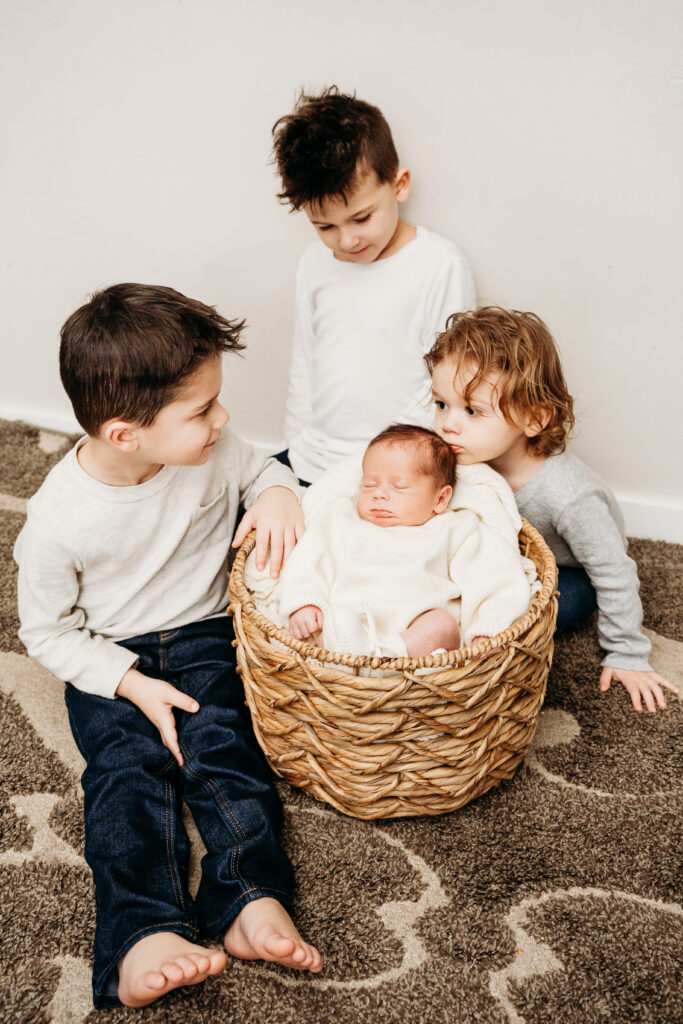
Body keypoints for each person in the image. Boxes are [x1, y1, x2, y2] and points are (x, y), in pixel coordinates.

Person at [14, 284, 322, 1010]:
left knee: (227, 754)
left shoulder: (212, 450)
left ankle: (249, 897)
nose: (222, 420)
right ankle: (142, 930)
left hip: (208, 633)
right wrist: (127, 682)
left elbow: (261, 468)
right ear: (126, 433)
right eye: (202, 410)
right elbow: (47, 631)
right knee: (125, 776)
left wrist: (278, 492)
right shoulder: (58, 522)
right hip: (110, 657)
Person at [425, 305, 679, 713]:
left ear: (533, 419)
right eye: (441, 404)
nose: (448, 425)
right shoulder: (466, 454)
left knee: (528, 612)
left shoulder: (567, 495)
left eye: (472, 411)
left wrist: (627, 653)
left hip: (570, 573)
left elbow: (614, 571)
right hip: (501, 553)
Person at [271, 86, 475, 485]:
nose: (347, 241)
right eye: (325, 226)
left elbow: (454, 381)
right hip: (318, 454)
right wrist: (294, 446)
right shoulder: (313, 264)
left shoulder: (438, 264)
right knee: (255, 515)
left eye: (362, 218)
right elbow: (304, 364)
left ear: (399, 185)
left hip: (402, 466)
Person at [277, 425, 532, 658]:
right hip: (351, 627)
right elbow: (310, 557)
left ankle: (389, 657)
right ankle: (355, 662)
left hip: (417, 637)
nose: (379, 494)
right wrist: (305, 601)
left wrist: (488, 626)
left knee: (442, 625)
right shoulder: (342, 518)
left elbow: (495, 575)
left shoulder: (455, 528)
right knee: (329, 626)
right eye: (369, 485)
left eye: (399, 487)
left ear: (440, 499)